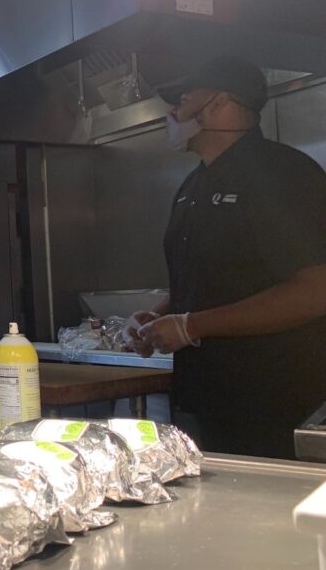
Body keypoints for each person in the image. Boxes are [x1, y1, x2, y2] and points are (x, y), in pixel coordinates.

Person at [123, 55, 326, 458]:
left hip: (273, 401)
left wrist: (191, 325)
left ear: (219, 104)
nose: (173, 113)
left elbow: (315, 290)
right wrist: (160, 316)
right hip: (202, 399)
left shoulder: (285, 174)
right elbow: (211, 278)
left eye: (183, 99)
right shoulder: (193, 184)